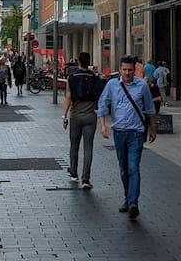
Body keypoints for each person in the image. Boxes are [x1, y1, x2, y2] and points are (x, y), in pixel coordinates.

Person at [97, 55, 157, 219]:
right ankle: (127, 198)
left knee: (133, 167)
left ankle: (133, 203)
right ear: (120, 69)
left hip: (136, 133)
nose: (127, 73)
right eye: (124, 69)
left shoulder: (142, 85)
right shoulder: (112, 85)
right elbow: (102, 105)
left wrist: (153, 128)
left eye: (130, 70)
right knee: (124, 169)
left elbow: (150, 108)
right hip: (119, 132)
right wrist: (103, 126)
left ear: (134, 70)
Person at [62, 51, 106, 188]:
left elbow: (68, 97)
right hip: (90, 117)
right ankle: (86, 179)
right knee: (88, 147)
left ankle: (74, 173)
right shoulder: (95, 78)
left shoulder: (72, 77)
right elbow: (100, 97)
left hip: (75, 116)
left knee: (74, 145)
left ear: (78, 62)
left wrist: (64, 115)